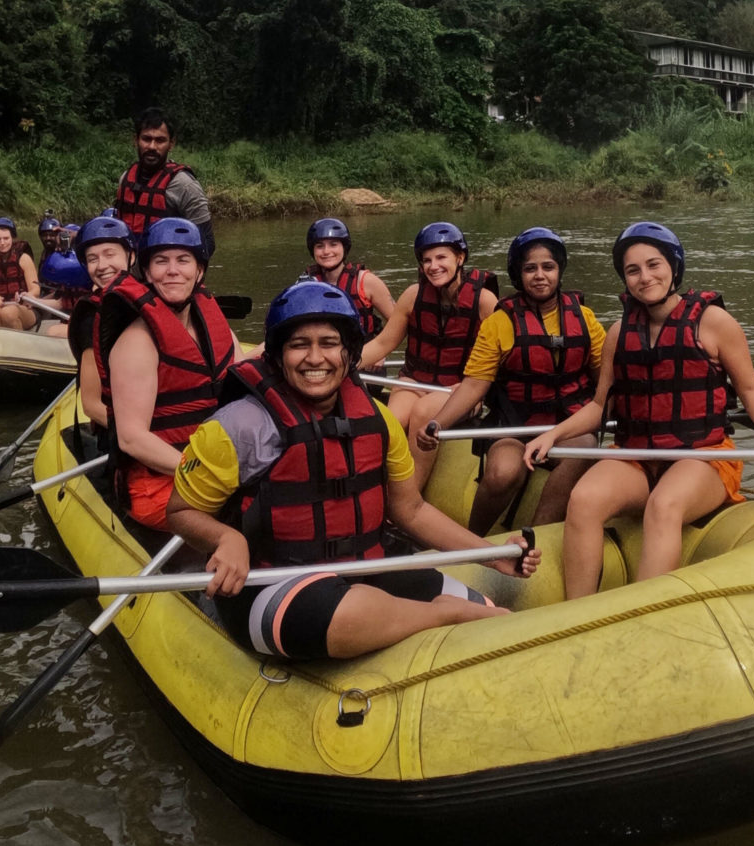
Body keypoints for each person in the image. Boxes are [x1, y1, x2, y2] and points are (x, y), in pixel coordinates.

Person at [163, 284, 541, 663]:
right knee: (348, 617)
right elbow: (180, 512)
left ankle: (431, 611)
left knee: (485, 609)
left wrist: (492, 555)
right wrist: (226, 539)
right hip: (271, 584)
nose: (315, 358)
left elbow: (411, 511)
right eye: (299, 344)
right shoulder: (236, 427)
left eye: (329, 343)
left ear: (350, 352)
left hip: (363, 567)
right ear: (277, 354)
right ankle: (440, 615)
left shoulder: (377, 420)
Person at [524, 222, 754, 600]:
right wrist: (553, 434)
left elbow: (751, 389)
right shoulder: (617, 333)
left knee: (664, 505)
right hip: (639, 455)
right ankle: (578, 611)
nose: (645, 277)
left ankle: (645, 610)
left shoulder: (715, 323)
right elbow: (599, 406)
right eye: (633, 270)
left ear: (673, 266)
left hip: (702, 456)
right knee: (584, 498)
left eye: (653, 264)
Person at [417, 227, 606, 536]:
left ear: (559, 270)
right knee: (504, 472)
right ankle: (473, 538)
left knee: (584, 446)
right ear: (519, 274)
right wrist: (438, 423)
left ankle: (537, 535)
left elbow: (606, 383)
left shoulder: (584, 318)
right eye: (530, 268)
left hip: (569, 426)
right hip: (515, 424)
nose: (540, 275)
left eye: (548, 267)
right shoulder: (499, 322)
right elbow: (474, 385)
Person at [101, 217, 239, 530]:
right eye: (161, 261)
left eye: (183, 260)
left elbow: (243, 383)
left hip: (214, 468)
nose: (173, 270)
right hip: (159, 486)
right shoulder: (137, 343)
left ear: (199, 271)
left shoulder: (212, 325)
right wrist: (202, 473)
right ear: (147, 272)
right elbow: (132, 438)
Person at [359, 223, 500, 491]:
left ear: (460, 258)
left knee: (424, 413)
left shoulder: (484, 300)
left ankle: (409, 497)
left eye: (441, 257)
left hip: (459, 390)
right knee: (390, 421)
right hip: (415, 382)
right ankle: (376, 488)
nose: (433, 266)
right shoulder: (413, 296)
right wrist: (345, 364)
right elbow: (383, 343)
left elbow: (504, 357)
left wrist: (473, 389)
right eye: (426, 260)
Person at [114, 108, 215, 255]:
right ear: (136, 140)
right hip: (128, 271)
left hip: (165, 272)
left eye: (160, 140)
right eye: (146, 139)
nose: (152, 147)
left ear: (171, 144)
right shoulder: (126, 178)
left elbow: (207, 243)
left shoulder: (185, 185)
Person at [68, 214, 134, 434]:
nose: (102, 265)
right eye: (93, 258)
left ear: (130, 257)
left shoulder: (148, 301)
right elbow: (92, 405)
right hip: (124, 434)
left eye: (110, 254)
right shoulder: (92, 318)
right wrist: (141, 434)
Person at [304, 217, 396, 341]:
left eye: (333, 245)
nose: (326, 251)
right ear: (313, 251)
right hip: (325, 355)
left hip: (364, 355)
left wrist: (378, 352)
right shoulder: (306, 282)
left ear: (344, 248)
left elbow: (398, 323)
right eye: (320, 246)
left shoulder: (366, 281)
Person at [0, 215, 40, 330]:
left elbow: (36, 289)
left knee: (8, 313)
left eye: (6, 238)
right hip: (0, 306)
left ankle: (19, 346)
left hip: (25, 308)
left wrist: (27, 295)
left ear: (12, 238)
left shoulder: (24, 259)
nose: (2, 243)